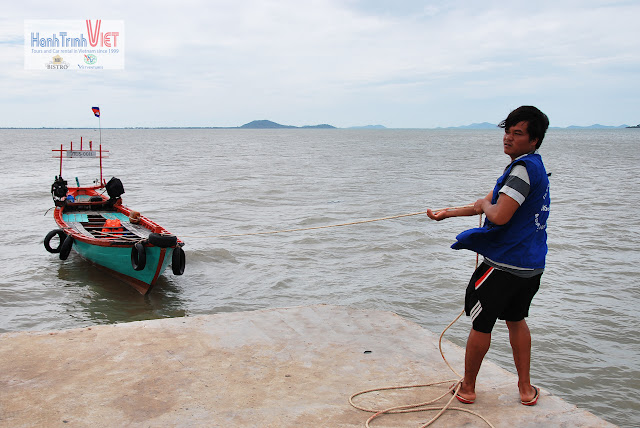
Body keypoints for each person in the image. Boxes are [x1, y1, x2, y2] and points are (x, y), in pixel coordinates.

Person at [427, 105, 550, 407]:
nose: (508, 137)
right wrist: (448, 213)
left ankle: (468, 388)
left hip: (502, 267)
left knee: (482, 325)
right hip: (530, 266)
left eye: (517, 133)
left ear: (534, 140)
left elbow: (500, 213)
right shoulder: (532, 167)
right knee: (517, 319)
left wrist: (483, 206)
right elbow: (491, 202)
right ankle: (525, 389)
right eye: (507, 131)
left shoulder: (521, 171)